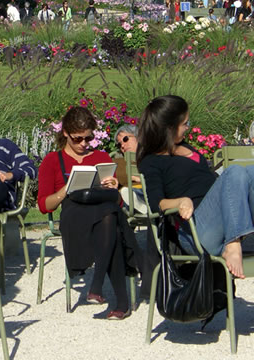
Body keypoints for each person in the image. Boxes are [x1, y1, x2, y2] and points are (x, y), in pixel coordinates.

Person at [38, 106, 142, 320]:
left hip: (102, 209)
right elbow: (44, 205)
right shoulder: (52, 161)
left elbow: (119, 201)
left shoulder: (101, 156)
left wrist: (114, 185)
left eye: (89, 138)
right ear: (65, 133)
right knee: (111, 220)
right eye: (78, 139)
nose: (84, 144)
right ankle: (119, 301)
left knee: (110, 216)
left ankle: (97, 285)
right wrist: (65, 190)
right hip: (73, 214)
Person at [137, 95, 254, 279]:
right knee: (234, 172)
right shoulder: (152, 161)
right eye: (184, 123)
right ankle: (232, 244)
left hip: (222, 221)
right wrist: (181, 201)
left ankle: (234, 240)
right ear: (169, 128)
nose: (188, 127)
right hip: (196, 232)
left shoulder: (187, 147)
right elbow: (156, 204)